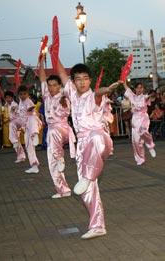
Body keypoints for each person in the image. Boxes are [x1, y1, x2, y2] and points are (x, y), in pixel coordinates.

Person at [56, 58, 118, 239]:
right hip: (83, 147)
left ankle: (89, 175)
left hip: (100, 141)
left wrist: (109, 89)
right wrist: (53, 52)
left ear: (90, 80)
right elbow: (60, 72)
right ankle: (97, 226)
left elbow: (99, 93)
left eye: (85, 78)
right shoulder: (73, 95)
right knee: (87, 189)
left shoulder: (94, 96)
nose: (82, 82)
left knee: (95, 136)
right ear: (73, 81)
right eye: (78, 79)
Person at [38, 60, 76, 199]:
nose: (52, 88)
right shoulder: (46, 95)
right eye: (50, 85)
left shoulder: (64, 97)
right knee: (51, 162)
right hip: (52, 132)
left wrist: (65, 100)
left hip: (63, 129)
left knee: (53, 133)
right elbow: (41, 76)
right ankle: (63, 190)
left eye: (55, 85)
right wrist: (41, 59)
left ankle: (60, 158)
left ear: (60, 85)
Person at [9, 86, 42, 173]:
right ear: (18, 95)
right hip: (26, 126)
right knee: (29, 146)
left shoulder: (29, 101)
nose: (23, 96)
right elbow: (18, 115)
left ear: (28, 94)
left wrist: (30, 109)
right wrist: (14, 111)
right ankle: (34, 166)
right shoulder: (20, 102)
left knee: (31, 117)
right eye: (21, 94)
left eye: (25, 94)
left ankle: (35, 135)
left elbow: (31, 108)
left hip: (33, 124)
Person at [123, 81, 156, 165]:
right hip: (135, 119)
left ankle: (150, 146)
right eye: (138, 88)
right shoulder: (132, 96)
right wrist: (123, 81)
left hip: (143, 118)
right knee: (136, 141)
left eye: (141, 88)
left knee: (143, 131)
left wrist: (150, 96)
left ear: (143, 89)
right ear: (135, 89)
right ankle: (140, 159)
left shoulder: (144, 97)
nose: (139, 89)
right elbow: (127, 88)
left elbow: (148, 97)